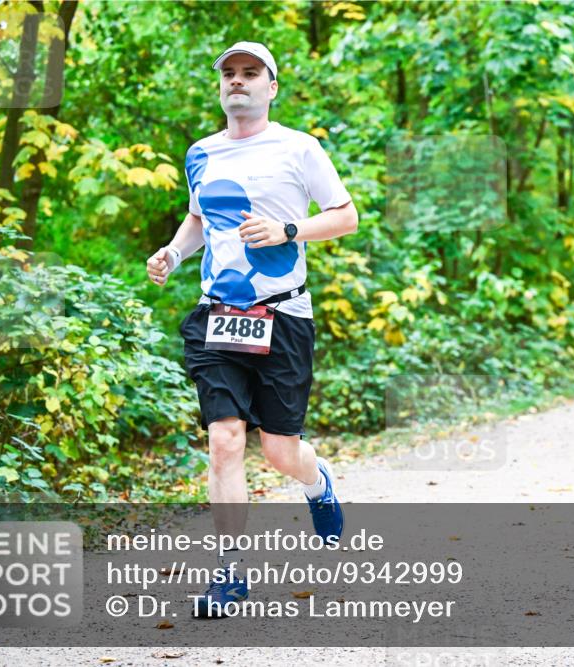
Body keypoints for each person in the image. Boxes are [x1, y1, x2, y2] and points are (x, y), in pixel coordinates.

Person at [146, 42, 358, 617]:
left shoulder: (299, 147)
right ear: (221, 87)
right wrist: (172, 252)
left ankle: (318, 485)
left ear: (271, 87)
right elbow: (198, 220)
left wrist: (289, 229)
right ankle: (230, 574)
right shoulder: (201, 153)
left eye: (250, 74)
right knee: (225, 440)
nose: (238, 82)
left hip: (283, 315)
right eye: (230, 75)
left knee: (281, 451)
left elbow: (345, 215)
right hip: (218, 314)